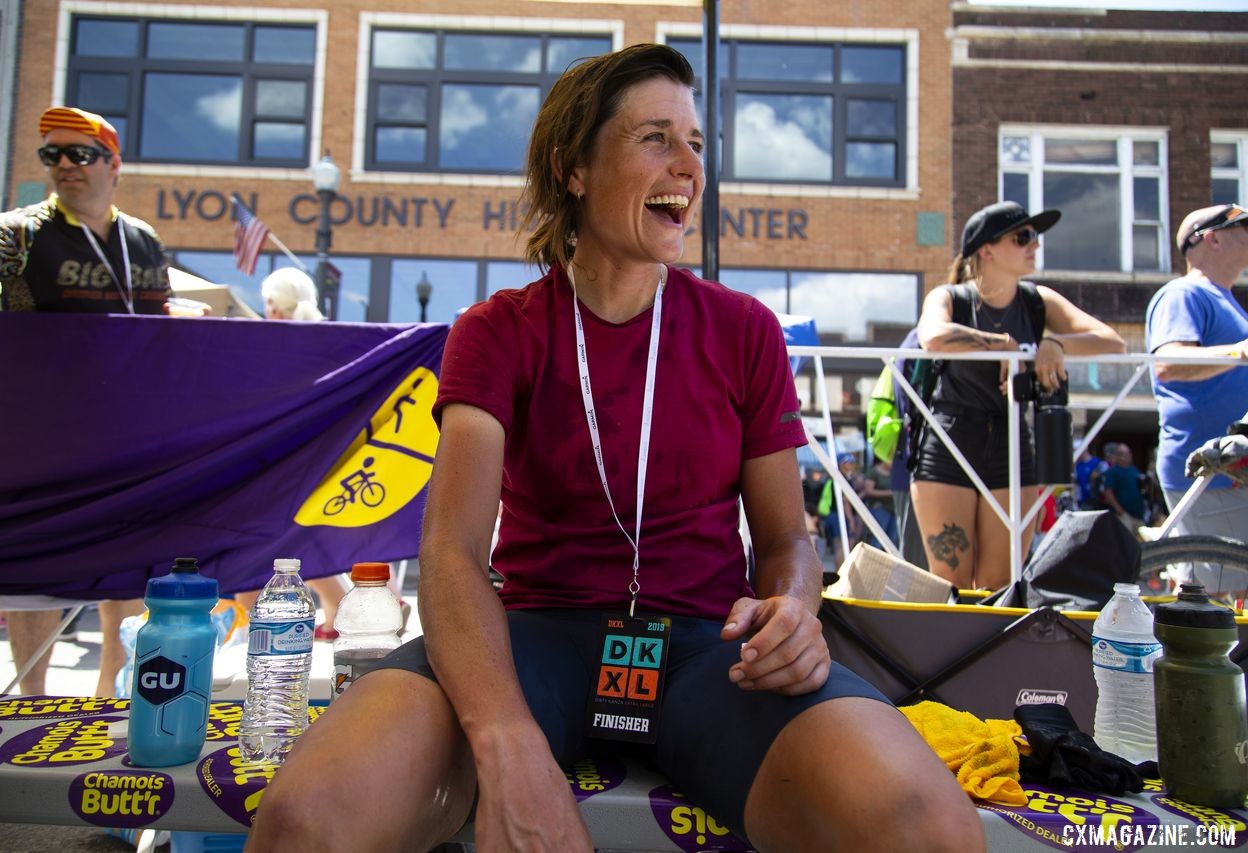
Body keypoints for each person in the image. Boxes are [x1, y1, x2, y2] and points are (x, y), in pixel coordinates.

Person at [248, 43, 979, 852]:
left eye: (696, 143)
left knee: (929, 828)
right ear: (574, 169)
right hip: (529, 643)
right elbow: (452, 553)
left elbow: (783, 541)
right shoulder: (497, 331)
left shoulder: (745, 331)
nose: (688, 165)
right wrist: (506, 740)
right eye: (655, 138)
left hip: (712, 646)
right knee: (303, 822)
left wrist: (794, 612)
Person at [0, 106, 175, 697]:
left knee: (127, 569)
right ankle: (30, 698)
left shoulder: (142, 239)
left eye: (78, 154)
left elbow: (155, 317)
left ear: (113, 165)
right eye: (50, 155)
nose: (63, 165)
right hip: (38, 442)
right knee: (30, 572)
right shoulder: (22, 230)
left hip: (126, 437)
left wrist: (184, 319)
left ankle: (111, 689)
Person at [911, 201, 1125, 591]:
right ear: (986, 249)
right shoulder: (951, 297)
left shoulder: (1037, 301)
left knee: (1001, 585)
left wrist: (1052, 342)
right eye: (1022, 237)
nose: (1035, 246)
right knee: (949, 584)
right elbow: (933, 337)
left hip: (1013, 443)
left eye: (1035, 237)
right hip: (949, 440)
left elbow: (1113, 342)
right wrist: (1005, 344)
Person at [234, 266, 348, 639]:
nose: (266, 309)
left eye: (269, 302)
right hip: (311, 460)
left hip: (278, 463)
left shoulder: (276, 343)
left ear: (278, 306)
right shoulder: (324, 341)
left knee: (261, 543)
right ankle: (338, 608)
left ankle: (249, 627)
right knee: (290, 538)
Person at [1146, 203, 1248, 598]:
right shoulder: (1184, 292)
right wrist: (1239, 351)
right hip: (1209, 469)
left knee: (1221, 597)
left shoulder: (1224, 299)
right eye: (1243, 226)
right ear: (1212, 238)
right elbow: (1169, 363)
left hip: (1228, 469)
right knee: (1210, 597)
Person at [1101, 443, 1146, 537]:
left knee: (1142, 540)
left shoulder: (1134, 470)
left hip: (1138, 514)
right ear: (1117, 456)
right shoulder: (1113, 471)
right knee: (1126, 540)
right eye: (1122, 453)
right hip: (1124, 514)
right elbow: (1108, 492)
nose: (1126, 456)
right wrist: (1119, 510)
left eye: (1128, 453)